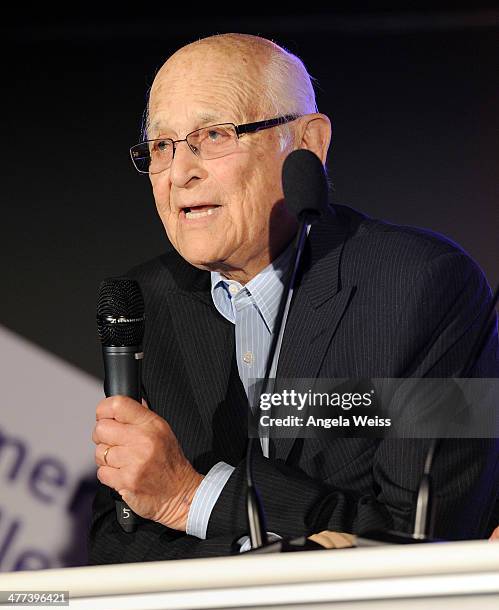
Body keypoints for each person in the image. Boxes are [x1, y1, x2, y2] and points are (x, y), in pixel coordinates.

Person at [88, 33, 499, 564]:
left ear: (307, 143)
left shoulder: (425, 285)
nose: (179, 173)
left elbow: (425, 539)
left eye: (213, 135)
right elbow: (117, 543)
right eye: (162, 146)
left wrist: (193, 499)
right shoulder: (146, 303)